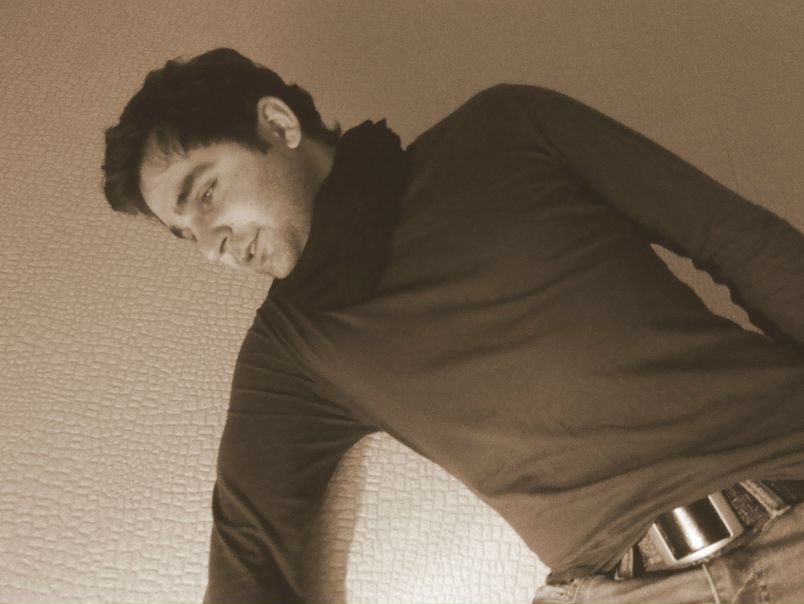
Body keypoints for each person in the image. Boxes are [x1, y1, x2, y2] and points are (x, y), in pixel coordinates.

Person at [102, 48, 804, 603]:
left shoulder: (505, 129)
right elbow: (248, 556)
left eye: (205, 194)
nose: (211, 246)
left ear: (279, 126)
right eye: (185, 234)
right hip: (625, 588)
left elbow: (741, 244)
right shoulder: (292, 350)